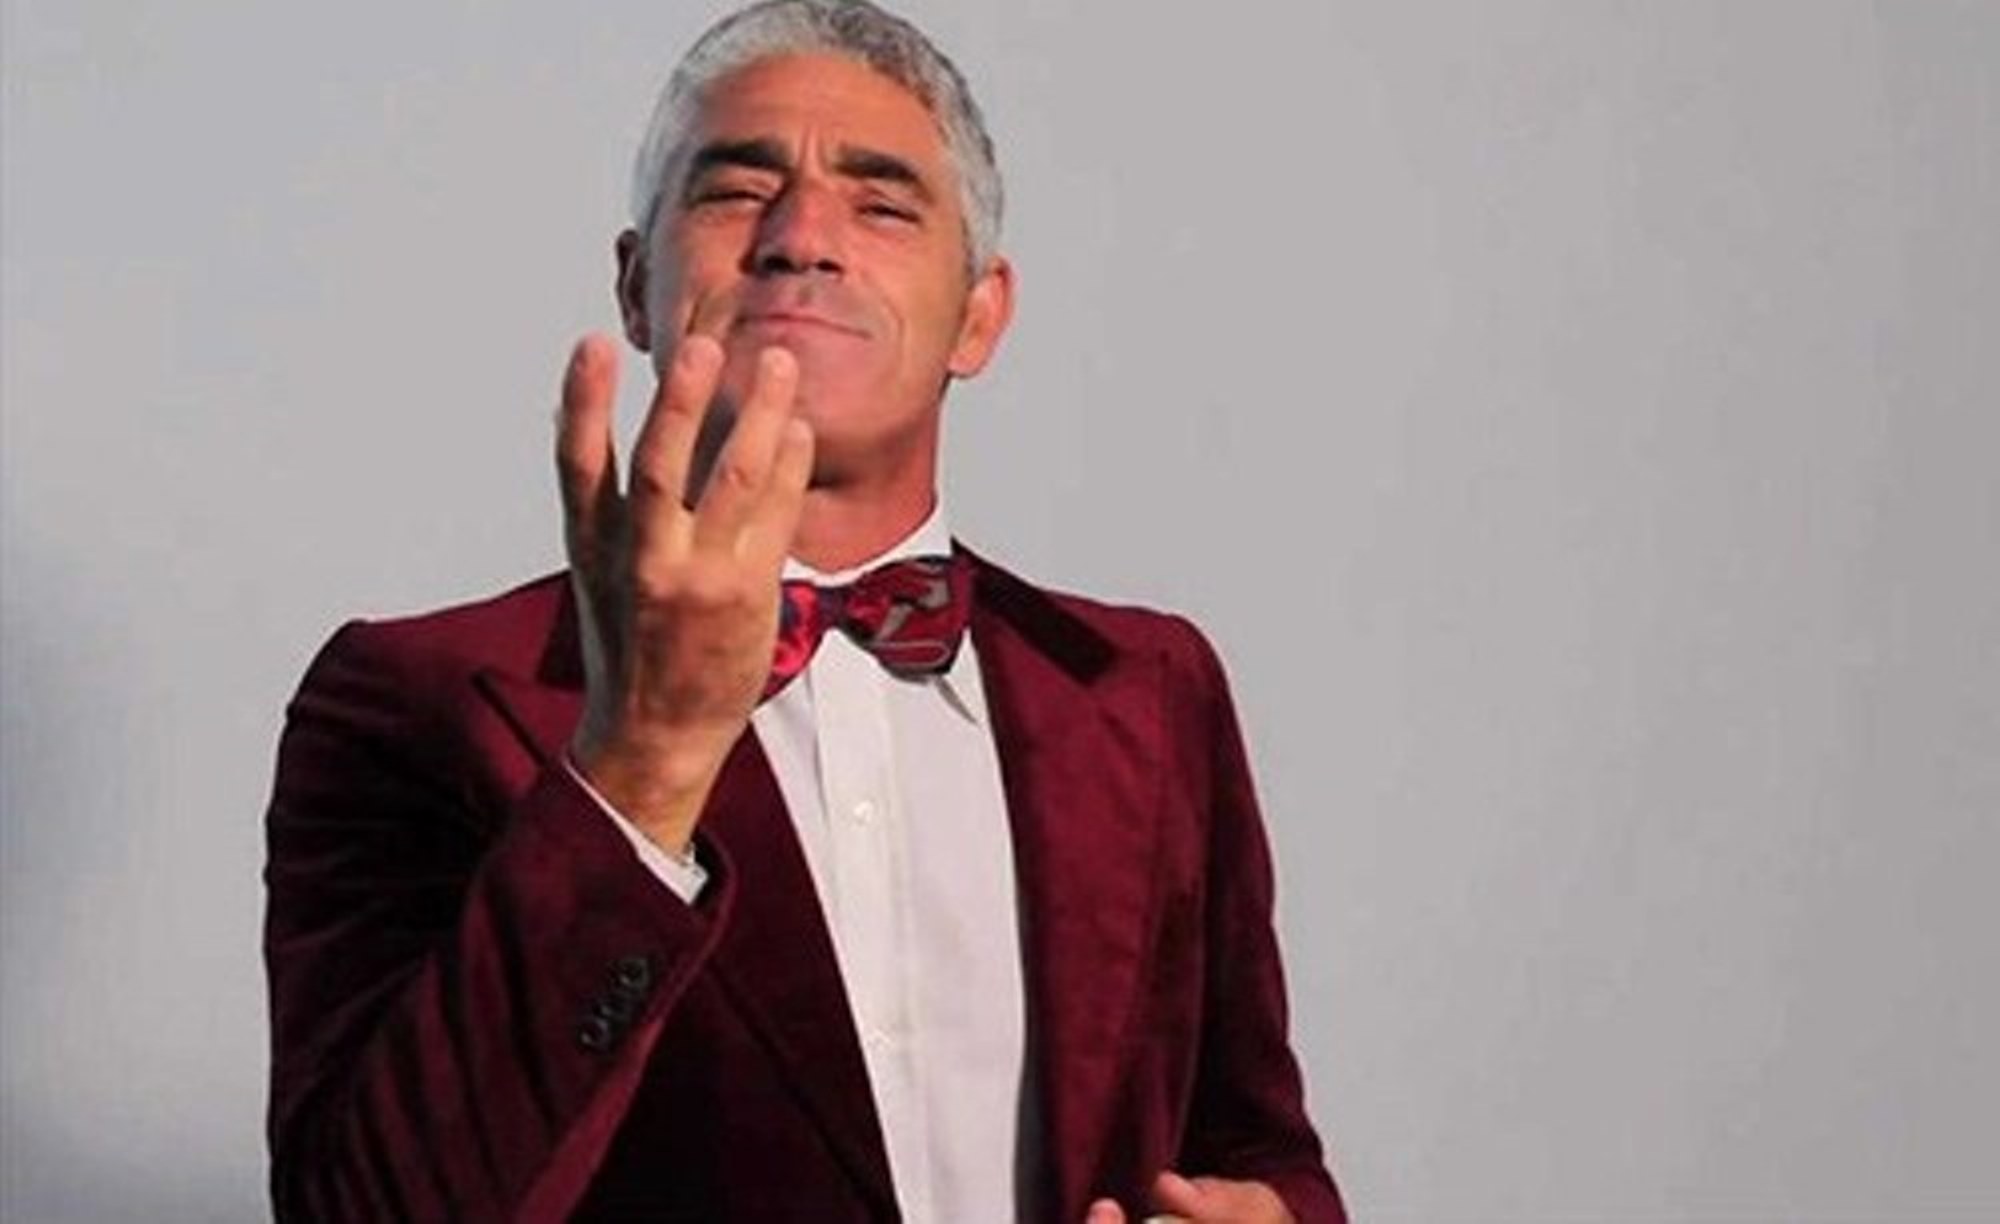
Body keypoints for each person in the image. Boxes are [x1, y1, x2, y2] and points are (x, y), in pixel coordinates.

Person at [262, 2, 1346, 1220]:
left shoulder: (1149, 686)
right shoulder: (408, 699)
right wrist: (640, 760)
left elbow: (1261, 1154)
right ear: (635, 286)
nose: (800, 240)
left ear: (978, 315)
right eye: (736, 192)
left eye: (881, 204)